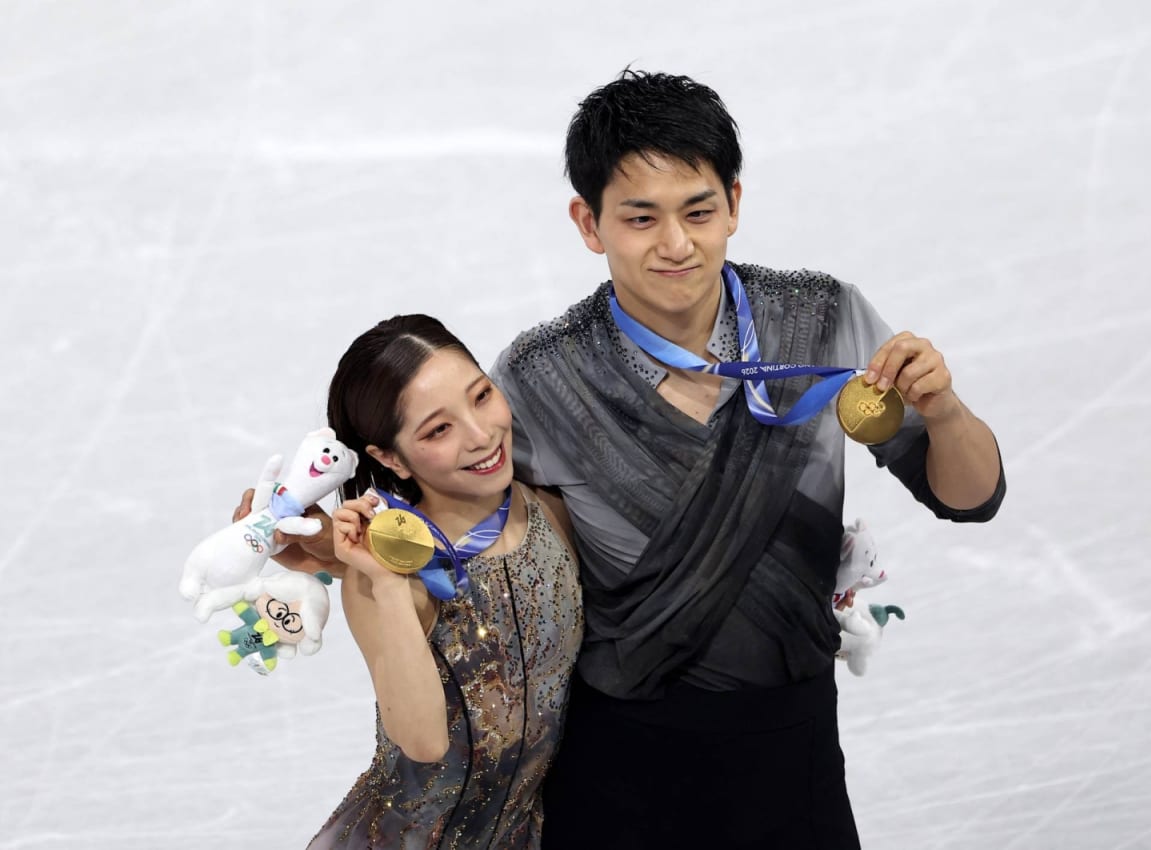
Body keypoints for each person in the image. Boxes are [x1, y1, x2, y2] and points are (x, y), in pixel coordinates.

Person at [487, 70, 1006, 849]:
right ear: (588, 223)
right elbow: (476, 548)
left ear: (734, 202)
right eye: (640, 218)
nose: (676, 243)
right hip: (615, 766)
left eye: (699, 211)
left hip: (790, 752)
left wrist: (946, 411)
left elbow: (971, 497)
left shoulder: (819, 319)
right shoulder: (539, 377)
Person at [302, 314, 584, 849]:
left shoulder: (549, 511)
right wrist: (384, 584)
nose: (480, 436)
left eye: (480, 397)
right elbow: (425, 742)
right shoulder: (387, 575)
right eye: (438, 429)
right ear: (389, 458)